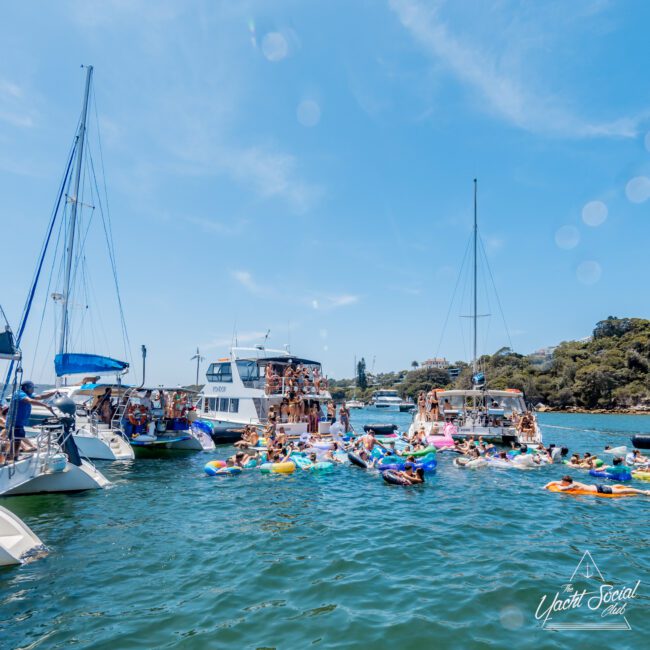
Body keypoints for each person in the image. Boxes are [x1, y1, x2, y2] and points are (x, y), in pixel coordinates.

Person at [7, 381, 55, 460]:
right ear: (26, 388)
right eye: (32, 388)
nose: (33, 390)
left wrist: (53, 393)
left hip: (19, 423)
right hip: (14, 422)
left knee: (18, 438)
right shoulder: (19, 393)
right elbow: (30, 401)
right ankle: (12, 458)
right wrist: (45, 405)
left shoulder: (27, 394)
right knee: (16, 439)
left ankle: (14, 456)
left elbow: (41, 397)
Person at [544, 475, 650, 496]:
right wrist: (546, 486)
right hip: (596, 485)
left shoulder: (573, 485)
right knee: (616, 488)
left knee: (623, 492)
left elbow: (563, 488)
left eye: (562, 482)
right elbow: (553, 481)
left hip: (600, 490)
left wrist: (558, 489)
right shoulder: (570, 482)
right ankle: (627, 487)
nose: (561, 483)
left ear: (567, 482)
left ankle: (644, 492)